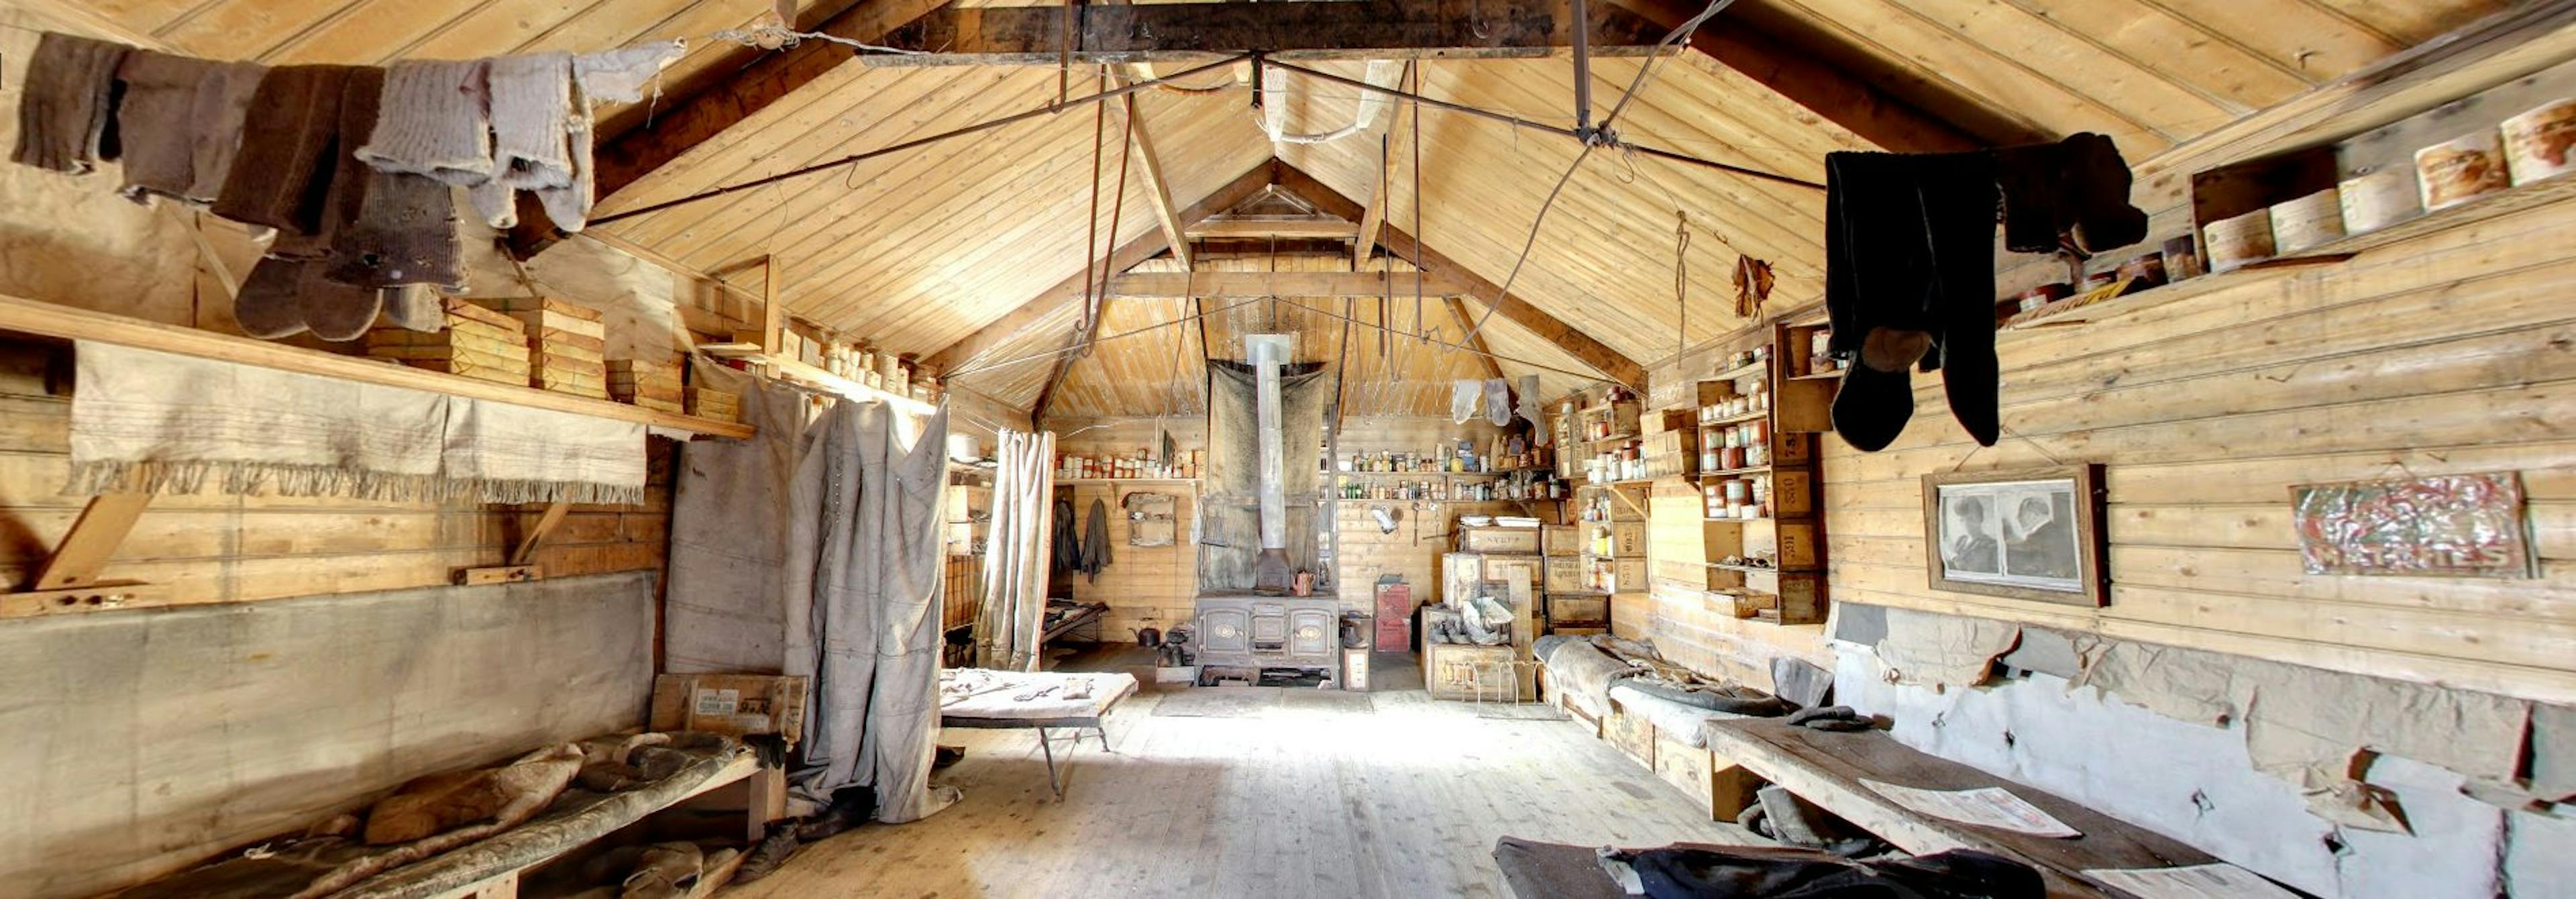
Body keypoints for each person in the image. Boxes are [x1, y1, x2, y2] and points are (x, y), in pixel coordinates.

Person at [1944, 496, 2000, 574]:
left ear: (1980, 518)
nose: (1966, 524)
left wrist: (1953, 555)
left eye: (1970, 519)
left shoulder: (1990, 545)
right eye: (1962, 520)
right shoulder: (1961, 541)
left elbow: (1972, 571)